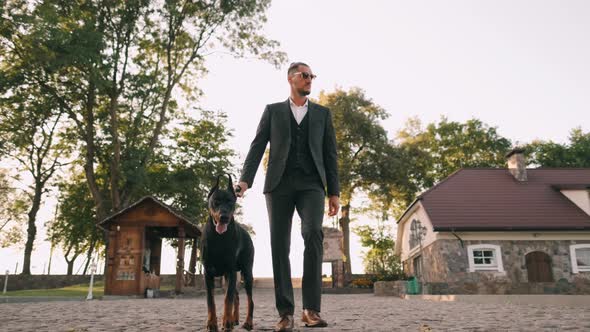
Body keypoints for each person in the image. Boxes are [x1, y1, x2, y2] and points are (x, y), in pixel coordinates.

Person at [236, 62, 340, 332]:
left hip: (312, 184)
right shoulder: (272, 111)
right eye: (305, 76)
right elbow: (257, 146)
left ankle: (311, 310)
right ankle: (286, 314)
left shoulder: (322, 114)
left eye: (312, 76)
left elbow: (330, 155)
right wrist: (245, 181)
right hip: (279, 184)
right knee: (279, 246)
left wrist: (335, 193)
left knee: (313, 233)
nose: (310, 80)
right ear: (291, 79)